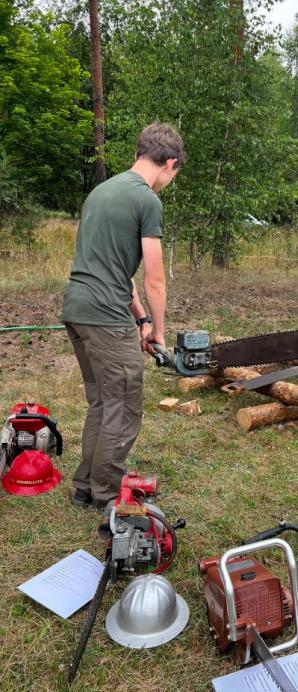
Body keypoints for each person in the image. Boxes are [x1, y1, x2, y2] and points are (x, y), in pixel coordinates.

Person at [62, 122, 184, 507]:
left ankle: (85, 487)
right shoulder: (147, 201)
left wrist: (142, 320)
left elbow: (116, 269)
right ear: (169, 163)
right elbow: (154, 279)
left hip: (77, 309)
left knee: (102, 402)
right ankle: (107, 493)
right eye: (173, 174)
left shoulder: (100, 192)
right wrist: (160, 331)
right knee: (125, 406)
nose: (169, 182)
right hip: (105, 317)